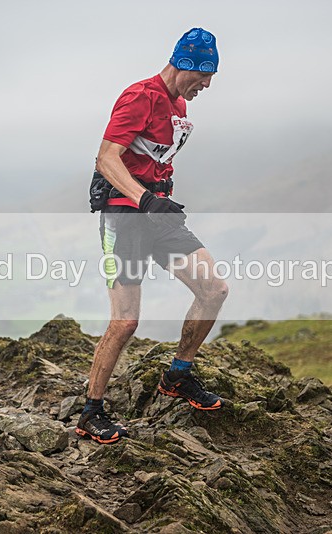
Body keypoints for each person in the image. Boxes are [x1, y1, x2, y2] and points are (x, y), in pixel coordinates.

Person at [75, 28, 229, 445]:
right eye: (204, 75)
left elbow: (154, 156)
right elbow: (106, 158)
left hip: (159, 213)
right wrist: (143, 199)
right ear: (185, 65)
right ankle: (91, 412)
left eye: (211, 77)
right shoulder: (139, 96)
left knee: (213, 289)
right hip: (125, 215)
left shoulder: (178, 103)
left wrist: (157, 199)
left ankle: (178, 375)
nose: (207, 84)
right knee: (125, 321)